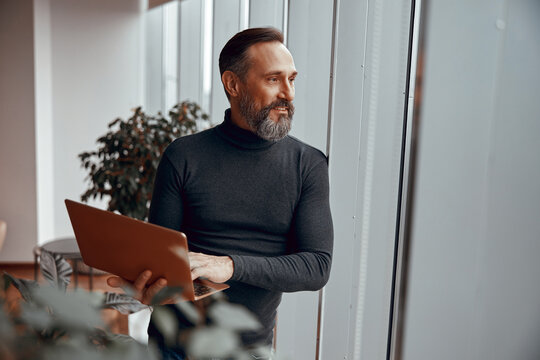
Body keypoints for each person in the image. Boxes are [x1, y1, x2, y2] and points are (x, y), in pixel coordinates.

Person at [108, 27, 333, 359]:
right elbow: (161, 256)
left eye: (292, 79)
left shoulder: (308, 164)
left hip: (250, 350)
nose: (289, 93)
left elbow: (316, 266)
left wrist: (228, 265)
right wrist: (149, 285)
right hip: (173, 347)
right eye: (273, 80)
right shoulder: (182, 156)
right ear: (233, 84)